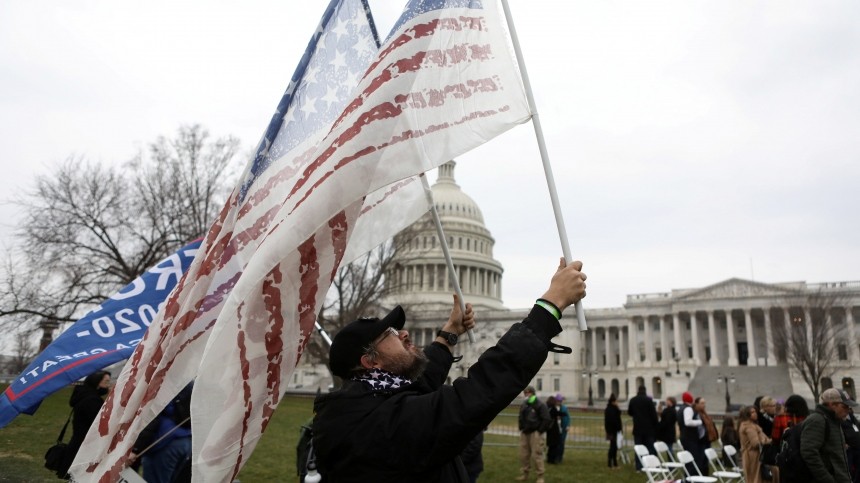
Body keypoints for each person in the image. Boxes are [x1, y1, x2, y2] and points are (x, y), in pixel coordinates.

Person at [312, 258, 587, 483]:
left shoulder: (365, 401)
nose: (405, 334)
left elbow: (422, 381)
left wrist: (448, 335)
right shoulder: (381, 424)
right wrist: (549, 307)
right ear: (371, 362)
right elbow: (478, 392)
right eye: (392, 333)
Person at [131, 382, 193, 483]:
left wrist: (136, 449)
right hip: (185, 439)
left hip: (163, 443)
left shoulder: (159, 384)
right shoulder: (186, 382)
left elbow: (151, 420)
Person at [62, 371, 111, 478]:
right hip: (85, 447)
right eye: (106, 382)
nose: (108, 385)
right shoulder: (92, 400)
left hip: (79, 443)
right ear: (97, 382)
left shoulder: (85, 395)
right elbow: (101, 423)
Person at [800, 388, 856, 483]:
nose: (848, 410)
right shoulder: (817, 420)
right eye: (845, 406)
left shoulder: (834, 421)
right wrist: (828, 479)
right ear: (832, 405)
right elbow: (809, 453)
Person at [518, 386, 551, 481]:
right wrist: (521, 427)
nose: (526, 394)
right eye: (525, 393)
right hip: (525, 432)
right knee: (524, 455)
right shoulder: (524, 404)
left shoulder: (540, 404)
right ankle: (525, 473)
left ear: (532, 393)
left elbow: (546, 419)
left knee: (537, 454)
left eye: (528, 393)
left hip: (535, 432)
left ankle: (540, 476)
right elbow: (521, 416)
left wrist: (539, 430)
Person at [628, 385, 658, 470]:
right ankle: (651, 465)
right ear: (645, 391)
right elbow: (653, 415)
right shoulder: (649, 400)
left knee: (639, 448)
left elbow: (630, 412)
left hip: (637, 428)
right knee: (650, 447)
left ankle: (639, 466)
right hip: (649, 429)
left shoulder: (633, 400)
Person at [739, 404, 772, 483]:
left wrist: (767, 440)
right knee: (754, 478)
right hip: (751, 455)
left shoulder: (754, 425)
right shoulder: (748, 426)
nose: (755, 413)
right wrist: (765, 440)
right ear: (747, 415)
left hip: (757, 454)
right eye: (752, 412)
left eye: (755, 412)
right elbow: (755, 443)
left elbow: (766, 439)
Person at [680, 394, 708, 476]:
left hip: (685, 436)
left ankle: (689, 477)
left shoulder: (682, 408)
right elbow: (688, 422)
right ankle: (691, 477)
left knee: (690, 460)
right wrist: (700, 422)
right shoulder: (688, 409)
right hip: (690, 438)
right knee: (693, 460)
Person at [604, 393, 623, 470]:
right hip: (613, 431)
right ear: (613, 401)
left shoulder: (610, 409)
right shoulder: (611, 410)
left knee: (614, 447)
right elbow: (614, 420)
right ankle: (610, 463)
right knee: (613, 447)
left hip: (612, 430)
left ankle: (614, 463)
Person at [545, 396, 563, 464]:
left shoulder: (547, 408)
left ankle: (549, 458)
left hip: (549, 429)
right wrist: (563, 414)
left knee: (550, 445)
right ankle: (552, 459)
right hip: (554, 429)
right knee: (554, 445)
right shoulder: (553, 409)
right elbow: (556, 414)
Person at [555, 393, 571, 462]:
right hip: (555, 428)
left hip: (563, 427)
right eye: (558, 400)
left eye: (560, 401)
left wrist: (568, 425)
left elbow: (568, 417)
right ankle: (555, 456)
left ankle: (560, 457)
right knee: (556, 443)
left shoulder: (564, 408)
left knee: (561, 443)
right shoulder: (554, 408)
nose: (559, 402)